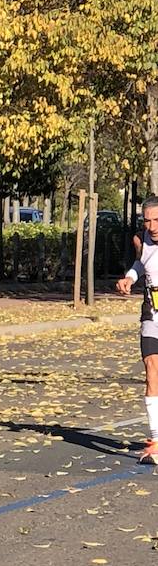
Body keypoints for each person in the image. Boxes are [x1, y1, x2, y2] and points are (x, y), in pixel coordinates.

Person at [116, 196, 158, 463]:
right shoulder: (142, 239)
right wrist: (129, 278)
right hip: (152, 312)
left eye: (157, 220)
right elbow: (141, 264)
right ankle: (156, 439)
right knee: (151, 367)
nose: (152, 226)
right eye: (148, 221)